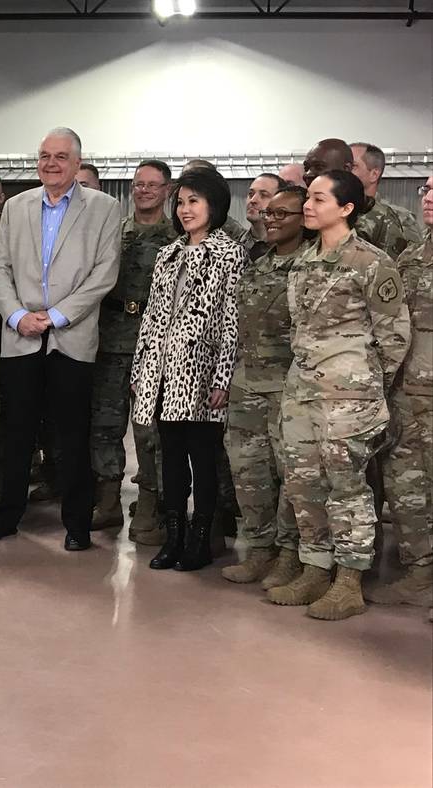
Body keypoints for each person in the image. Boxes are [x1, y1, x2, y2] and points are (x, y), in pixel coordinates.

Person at [269, 170, 410, 620]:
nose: (307, 206)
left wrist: (367, 390)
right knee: (302, 482)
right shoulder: (305, 260)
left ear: (346, 208)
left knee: (347, 487)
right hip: (303, 391)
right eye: (307, 198)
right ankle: (315, 568)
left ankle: (349, 580)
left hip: (349, 399)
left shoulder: (371, 262)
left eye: (318, 199)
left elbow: (393, 337)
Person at [0, 127, 121, 550]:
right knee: (17, 431)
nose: (51, 163)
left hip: (71, 337)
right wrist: (17, 315)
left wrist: (58, 316)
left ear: (77, 164)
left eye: (61, 156)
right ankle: (7, 514)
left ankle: (77, 525)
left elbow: (105, 273)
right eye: (44, 155)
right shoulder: (16, 207)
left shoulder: (104, 208)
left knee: (72, 435)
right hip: (20, 336)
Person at [131, 168, 244, 572]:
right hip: (161, 374)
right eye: (180, 202)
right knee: (171, 459)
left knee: (204, 459)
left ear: (214, 205)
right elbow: (152, 318)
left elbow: (232, 320)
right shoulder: (169, 253)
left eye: (194, 201)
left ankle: (201, 540)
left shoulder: (229, 253)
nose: (184, 210)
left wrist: (222, 377)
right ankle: (173, 537)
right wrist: (141, 371)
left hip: (201, 375)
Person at [221, 186, 307, 586]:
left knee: (292, 476)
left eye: (282, 214)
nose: (270, 220)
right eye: (268, 214)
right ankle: (259, 549)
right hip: (248, 383)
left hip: (291, 387)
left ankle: (290, 555)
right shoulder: (259, 265)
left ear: (304, 218)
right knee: (248, 471)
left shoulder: (313, 266)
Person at [91, 159, 176, 543]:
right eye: (138, 184)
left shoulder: (176, 237)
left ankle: (149, 504)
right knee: (105, 425)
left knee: (148, 431)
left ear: (167, 190)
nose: (143, 190)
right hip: (111, 338)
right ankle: (108, 501)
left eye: (152, 185)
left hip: (153, 343)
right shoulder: (113, 232)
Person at [368, 174, 433, 607]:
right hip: (409, 392)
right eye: (426, 189)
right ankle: (420, 570)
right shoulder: (412, 255)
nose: (428, 197)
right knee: (406, 483)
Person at [349, 142, 422, 259]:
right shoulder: (332, 212)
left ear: (374, 174)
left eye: (352, 166)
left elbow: (414, 265)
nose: (345, 171)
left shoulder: (401, 218)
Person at [242, 173, 286, 260]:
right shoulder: (237, 244)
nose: (253, 200)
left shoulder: (285, 247)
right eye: (251, 194)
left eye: (264, 195)